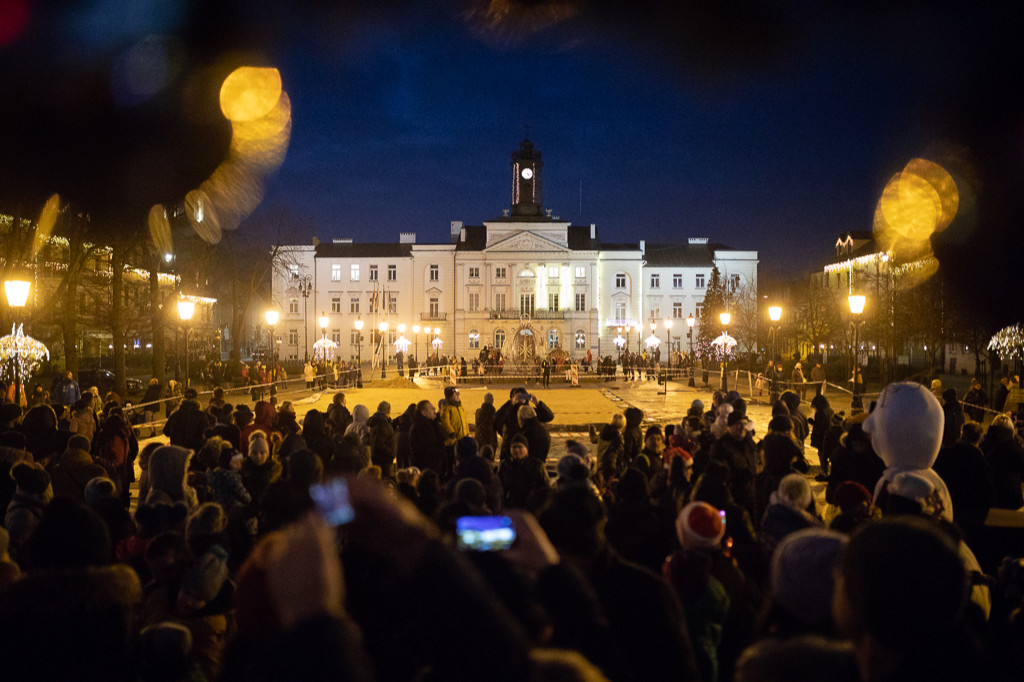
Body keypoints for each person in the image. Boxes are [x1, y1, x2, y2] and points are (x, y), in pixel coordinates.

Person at [498, 433, 549, 510]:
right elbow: (499, 487)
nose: (516, 450)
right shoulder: (505, 465)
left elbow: (545, 488)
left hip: (531, 508)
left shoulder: (537, 466)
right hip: (511, 507)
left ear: (527, 449)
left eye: (520, 447)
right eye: (514, 447)